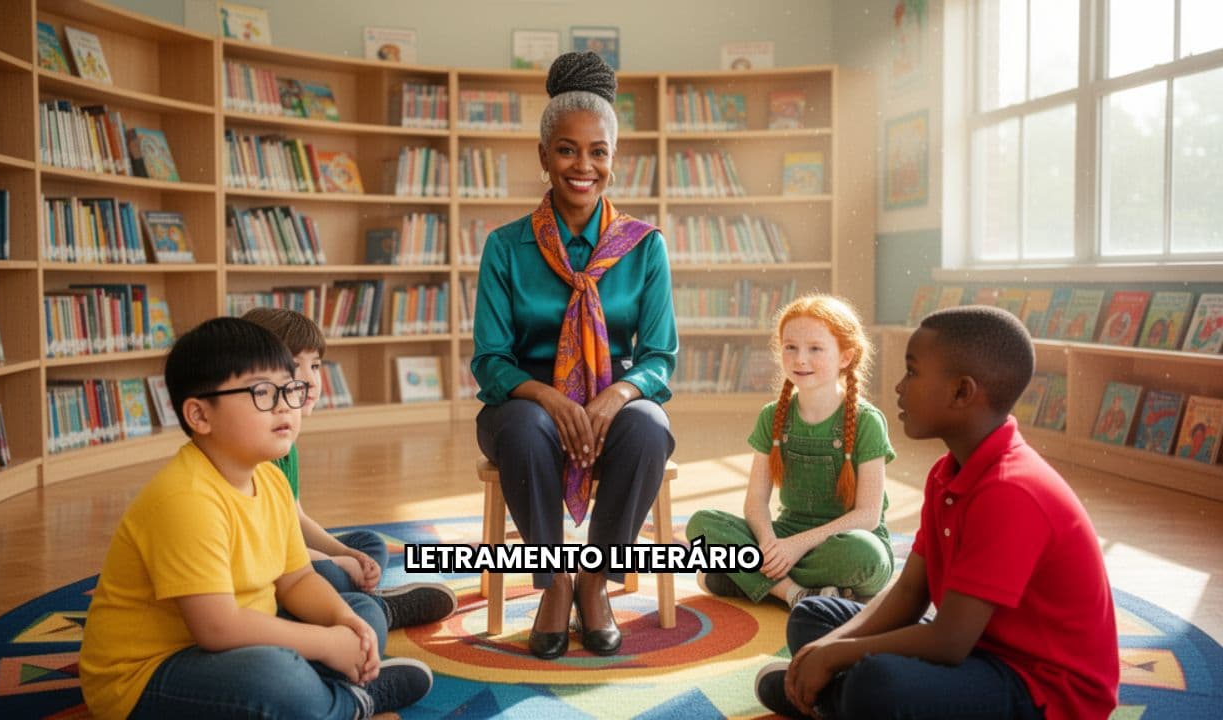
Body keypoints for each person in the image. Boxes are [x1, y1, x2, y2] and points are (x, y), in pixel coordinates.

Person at [754, 305, 1119, 720]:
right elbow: (910, 593)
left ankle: (835, 699)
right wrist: (829, 647)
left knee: (877, 682)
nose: (898, 387)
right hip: (980, 650)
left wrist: (839, 653)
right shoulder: (947, 474)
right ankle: (835, 698)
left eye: (912, 373)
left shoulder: (1011, 492)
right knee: (813, 619)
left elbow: (949, 641)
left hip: (1041, 690)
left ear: (962, 392)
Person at [79, 318, 433, 719]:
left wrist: (343, 621)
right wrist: (324, 643)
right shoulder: (185, 499)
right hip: (147, 675)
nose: (285, 404)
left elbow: (296, 580)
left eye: (290, 388)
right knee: (274, 677)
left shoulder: (270, 478)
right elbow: (218, 629)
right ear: (199, 415)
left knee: (361, 612)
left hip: (240, 640)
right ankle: (351, 703)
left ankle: (325, 696)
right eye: (262, 392)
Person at [471, 50, 677, 659]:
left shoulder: (646, 248)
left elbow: (660, 355)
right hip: (523, 412)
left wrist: (616, 394)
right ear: (543, 156)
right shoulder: (505, 247)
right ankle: (555, 581)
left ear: (614, 159)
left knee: (648, 427)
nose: (582, 166)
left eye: (598, 152)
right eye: (566, 149)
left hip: (612, 411)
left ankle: (595, 583)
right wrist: (547, 396)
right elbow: (489, 359)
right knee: (529, 427)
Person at [242, 307, 457, 629]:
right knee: (329, 572)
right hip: (266, 571)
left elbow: (295, 519)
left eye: (314, 365)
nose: (310, 379)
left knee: (368, 546)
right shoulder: (253, 452)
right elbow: (270, 548)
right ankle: (377, 609)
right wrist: (332, 560)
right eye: (292, 366)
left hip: (288, 555)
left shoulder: (286, 444)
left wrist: (346, 553)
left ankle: (355, 597)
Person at [687, 294, 895, 607]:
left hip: (843, 541)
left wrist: (795, 547)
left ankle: (747, 578)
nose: (800, 359)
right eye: (790, 347)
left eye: (815, 348)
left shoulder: (868, 421)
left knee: (865, 556)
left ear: (845, 356)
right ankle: (794, 592)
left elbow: (867, 516)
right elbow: (756, 501)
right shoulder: (772, 416)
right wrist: (770, 542)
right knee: (701, 525)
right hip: (784, 535)